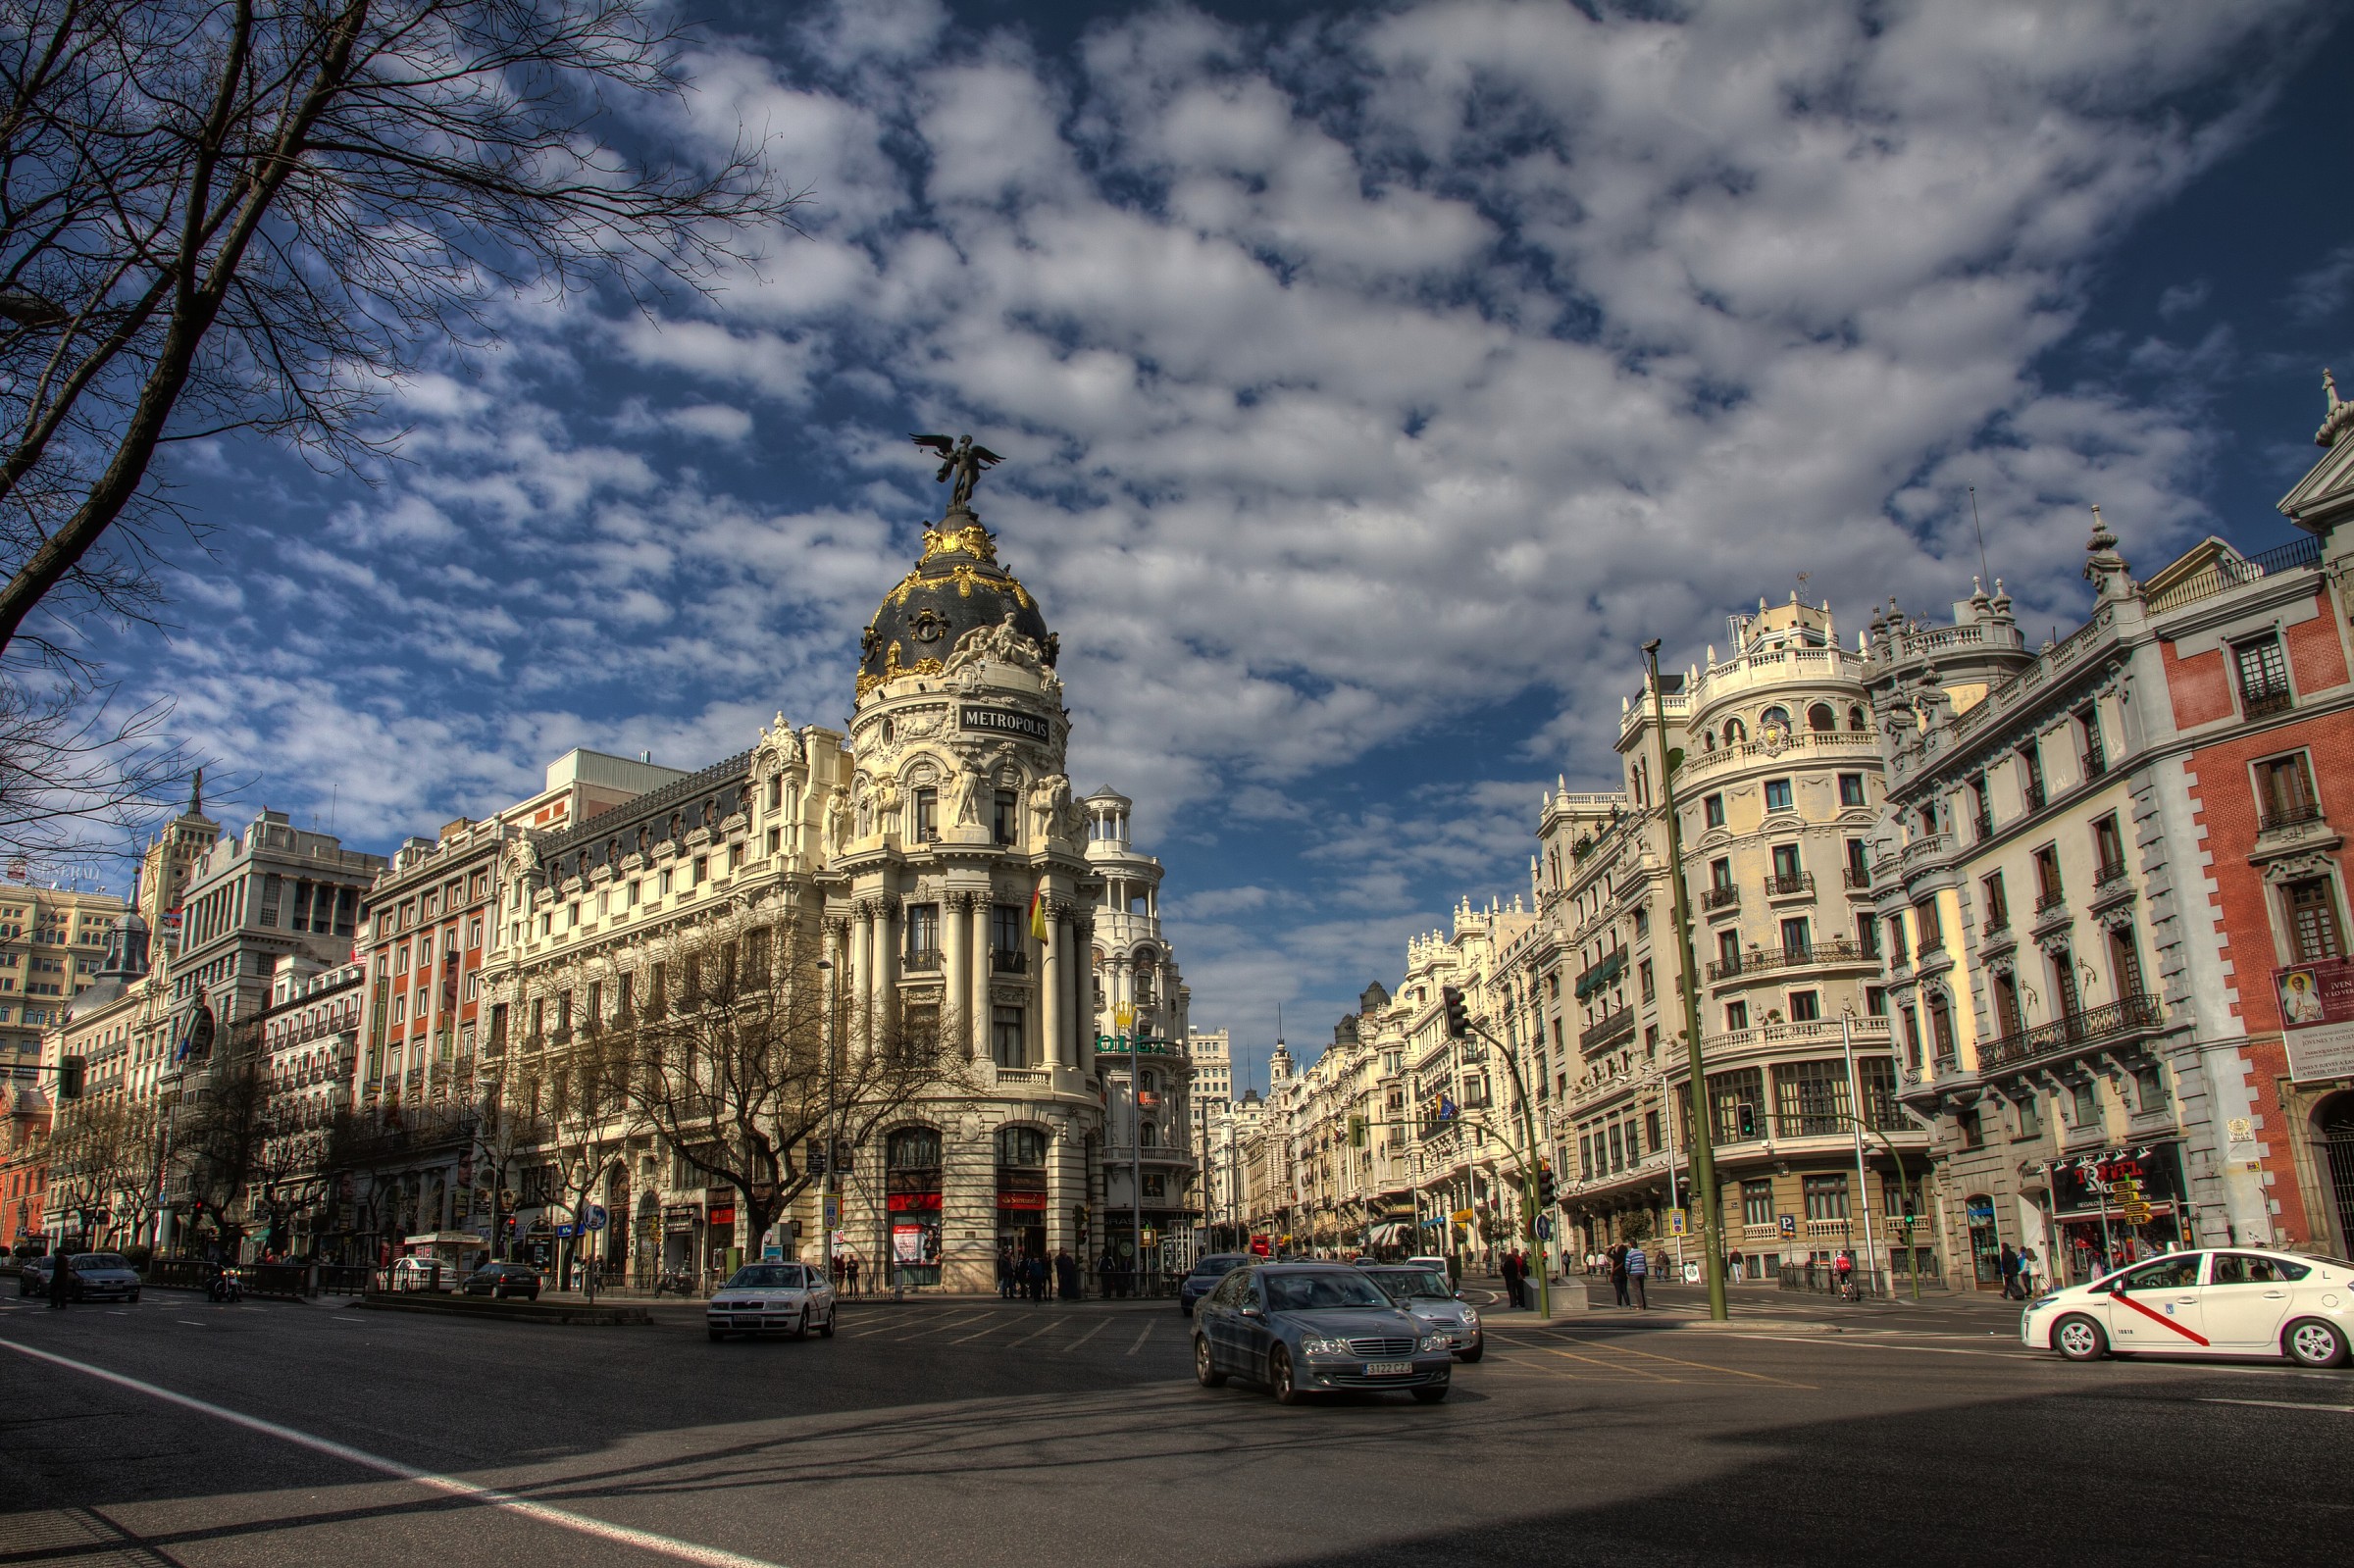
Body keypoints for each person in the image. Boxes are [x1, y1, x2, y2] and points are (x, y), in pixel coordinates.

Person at [1624, 1241, 1649, 1309]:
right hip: (1641, 1272)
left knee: (1637, 1289)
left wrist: (1627, 1272)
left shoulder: (1630, 1253)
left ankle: (1640, 1306)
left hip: (1634, 1273)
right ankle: (1645, 1305)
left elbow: (1627, 1264)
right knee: (1642, 1289)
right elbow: (1644, 1263)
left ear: (1630, 1245)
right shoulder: (1641, 1252)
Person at [1609, 1242, 1630, 1307]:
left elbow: (1608, 1253)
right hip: (1624, 1275)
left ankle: (1619, 1305)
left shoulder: (1616, 1256)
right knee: (1625, 1290)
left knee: (1618, 1291)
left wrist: (1612, 1247)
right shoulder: (1626, 1257)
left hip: (1616, 1275)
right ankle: (1628, 1305)